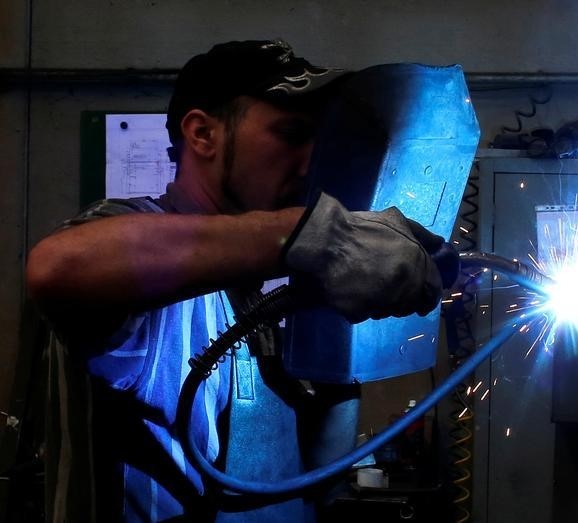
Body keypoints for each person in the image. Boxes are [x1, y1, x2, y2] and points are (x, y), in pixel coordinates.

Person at [25, 39, 447, 522]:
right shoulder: (137, 240)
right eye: (290, 135)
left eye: (319, 140)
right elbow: (57, 267)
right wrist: (313, 235)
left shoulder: (258, 280)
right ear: (203, 134)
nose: (312, 163)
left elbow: (306, 475)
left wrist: (335, 357)